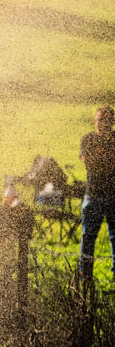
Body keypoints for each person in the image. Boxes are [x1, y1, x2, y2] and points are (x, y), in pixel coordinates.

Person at [79, 105, 115, 285]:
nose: (104, 123)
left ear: (113, 122)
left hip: (113, 196)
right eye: (101, 120)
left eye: (108, 120)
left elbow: (96, 163)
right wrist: (108, 162)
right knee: (88, 238)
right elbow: (88, 163)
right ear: (95, 121)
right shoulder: (88, 139)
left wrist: (100, 161)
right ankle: (85, 279)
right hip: (93, 195)